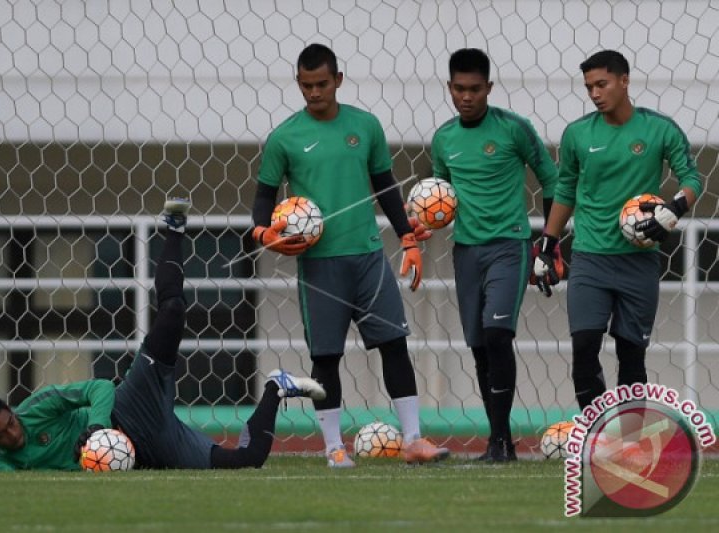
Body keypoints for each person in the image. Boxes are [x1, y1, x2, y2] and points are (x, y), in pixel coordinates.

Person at [0, 198, 327, 472]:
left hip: (130, 407)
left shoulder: (37, 407)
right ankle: (277, 388)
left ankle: (174, 231)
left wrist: (95, 428)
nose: (15, 431)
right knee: (248, 461)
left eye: (10, 421)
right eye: (4, 435)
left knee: (173, 312)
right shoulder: (12, 461)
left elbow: (100, 389)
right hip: (149, 447)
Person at [251, 43, 449, 468]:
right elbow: (263, 199)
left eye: (322, 83)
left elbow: (386, 186)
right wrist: (262, 232)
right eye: (306, 85)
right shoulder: (284, 137)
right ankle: (333, 447)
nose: (314, 92)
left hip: (368, 257)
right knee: (326, 356)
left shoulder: (366, 127)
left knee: (394, 344)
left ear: (338, 80)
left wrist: (408, 240)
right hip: (319, 264)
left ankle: (413, 439)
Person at [534, 50, 702, 411]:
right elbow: (565, 190)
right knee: (584, 346)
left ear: (624, 81)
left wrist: (673, 210)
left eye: (601, 84)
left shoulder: (659, 129)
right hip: (590, 260)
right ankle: (597, 437)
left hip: (638, 262)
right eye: (589, 86)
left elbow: (692, 179)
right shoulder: (578, 134)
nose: (594, 93)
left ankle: (630, 441)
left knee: (631, 354)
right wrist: (547, 244)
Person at [429, 48, 559, 461]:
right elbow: (440, 197)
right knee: (479, 345)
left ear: (488, 87)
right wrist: (422, 220)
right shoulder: (443, 139)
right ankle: (498, 440)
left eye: (474, 89)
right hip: (466, 251)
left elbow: (552, 180)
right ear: (449, 88)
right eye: (459, 89)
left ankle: (500, 442)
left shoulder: (514, 129)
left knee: (498, 334)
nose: (466, 97)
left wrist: (551, 244)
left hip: (510, 244)